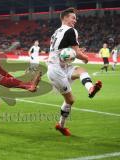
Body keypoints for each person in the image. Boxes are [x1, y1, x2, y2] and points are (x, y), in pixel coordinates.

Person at [47, 8, 102, 136]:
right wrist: (85, 57)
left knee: (81, 70)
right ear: (65, 18)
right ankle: (60, 125)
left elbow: (65, 50)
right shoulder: (71, 30)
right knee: (70, 100)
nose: (75, 20)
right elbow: (76, 52)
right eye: (73, 18)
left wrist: (75, 53)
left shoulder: (56, 32)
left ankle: (90, 88)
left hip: (62, 65)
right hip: (56, 69)